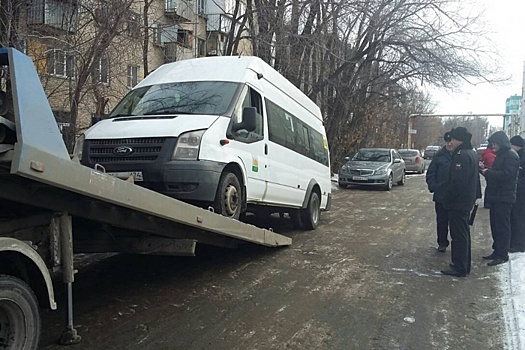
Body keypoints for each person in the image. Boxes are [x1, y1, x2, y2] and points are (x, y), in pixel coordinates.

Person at [440, 127, 481, 277]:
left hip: (458, 202)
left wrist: (447, 197)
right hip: (465, 201)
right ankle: (462, 264)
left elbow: (458, 182)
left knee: (458, 235)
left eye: (453, 139)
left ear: (459, 140)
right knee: (463, 234)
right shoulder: (471, 154)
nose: (450, 142)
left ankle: (460, 266)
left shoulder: (461, 156)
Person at [480, 131, 520, 266]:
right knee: (495, 225)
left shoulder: (510, 156)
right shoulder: (502, 155)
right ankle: (497, 250)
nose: (493, 147)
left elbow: (506, 175)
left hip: (505, 197)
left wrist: (488, 172)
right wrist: (485, 170)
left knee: (502, 227)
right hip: (497, 196)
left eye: (494, 144)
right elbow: (498, 173)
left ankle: (502, 254)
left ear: (501, 142)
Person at [426, 132, 453, 252]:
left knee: (455, 222)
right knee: (442, 221)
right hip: (441, 195)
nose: (449, 144)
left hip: (456, 195)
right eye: (447, 142)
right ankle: (442, 242)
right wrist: (434, 186)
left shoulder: (461, 155)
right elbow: (431, 173)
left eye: (451, 142)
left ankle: (457, 243)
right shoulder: (439, 155)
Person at [509, 135, 525, 253]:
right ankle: (515, 242)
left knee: (518, 218)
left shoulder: (522, 157)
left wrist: (516, 184)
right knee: (516, 217)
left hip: (521, 193)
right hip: (518, 191)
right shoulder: (519, 155)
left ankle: (519, 244)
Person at [481, 143, 496, 208]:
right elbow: (492, 165)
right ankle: (488, 203)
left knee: (489, 187)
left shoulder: (486, 153)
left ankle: (487, 203)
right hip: (489, 172)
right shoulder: (490, 155)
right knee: (490, 187)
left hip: (487, 171)